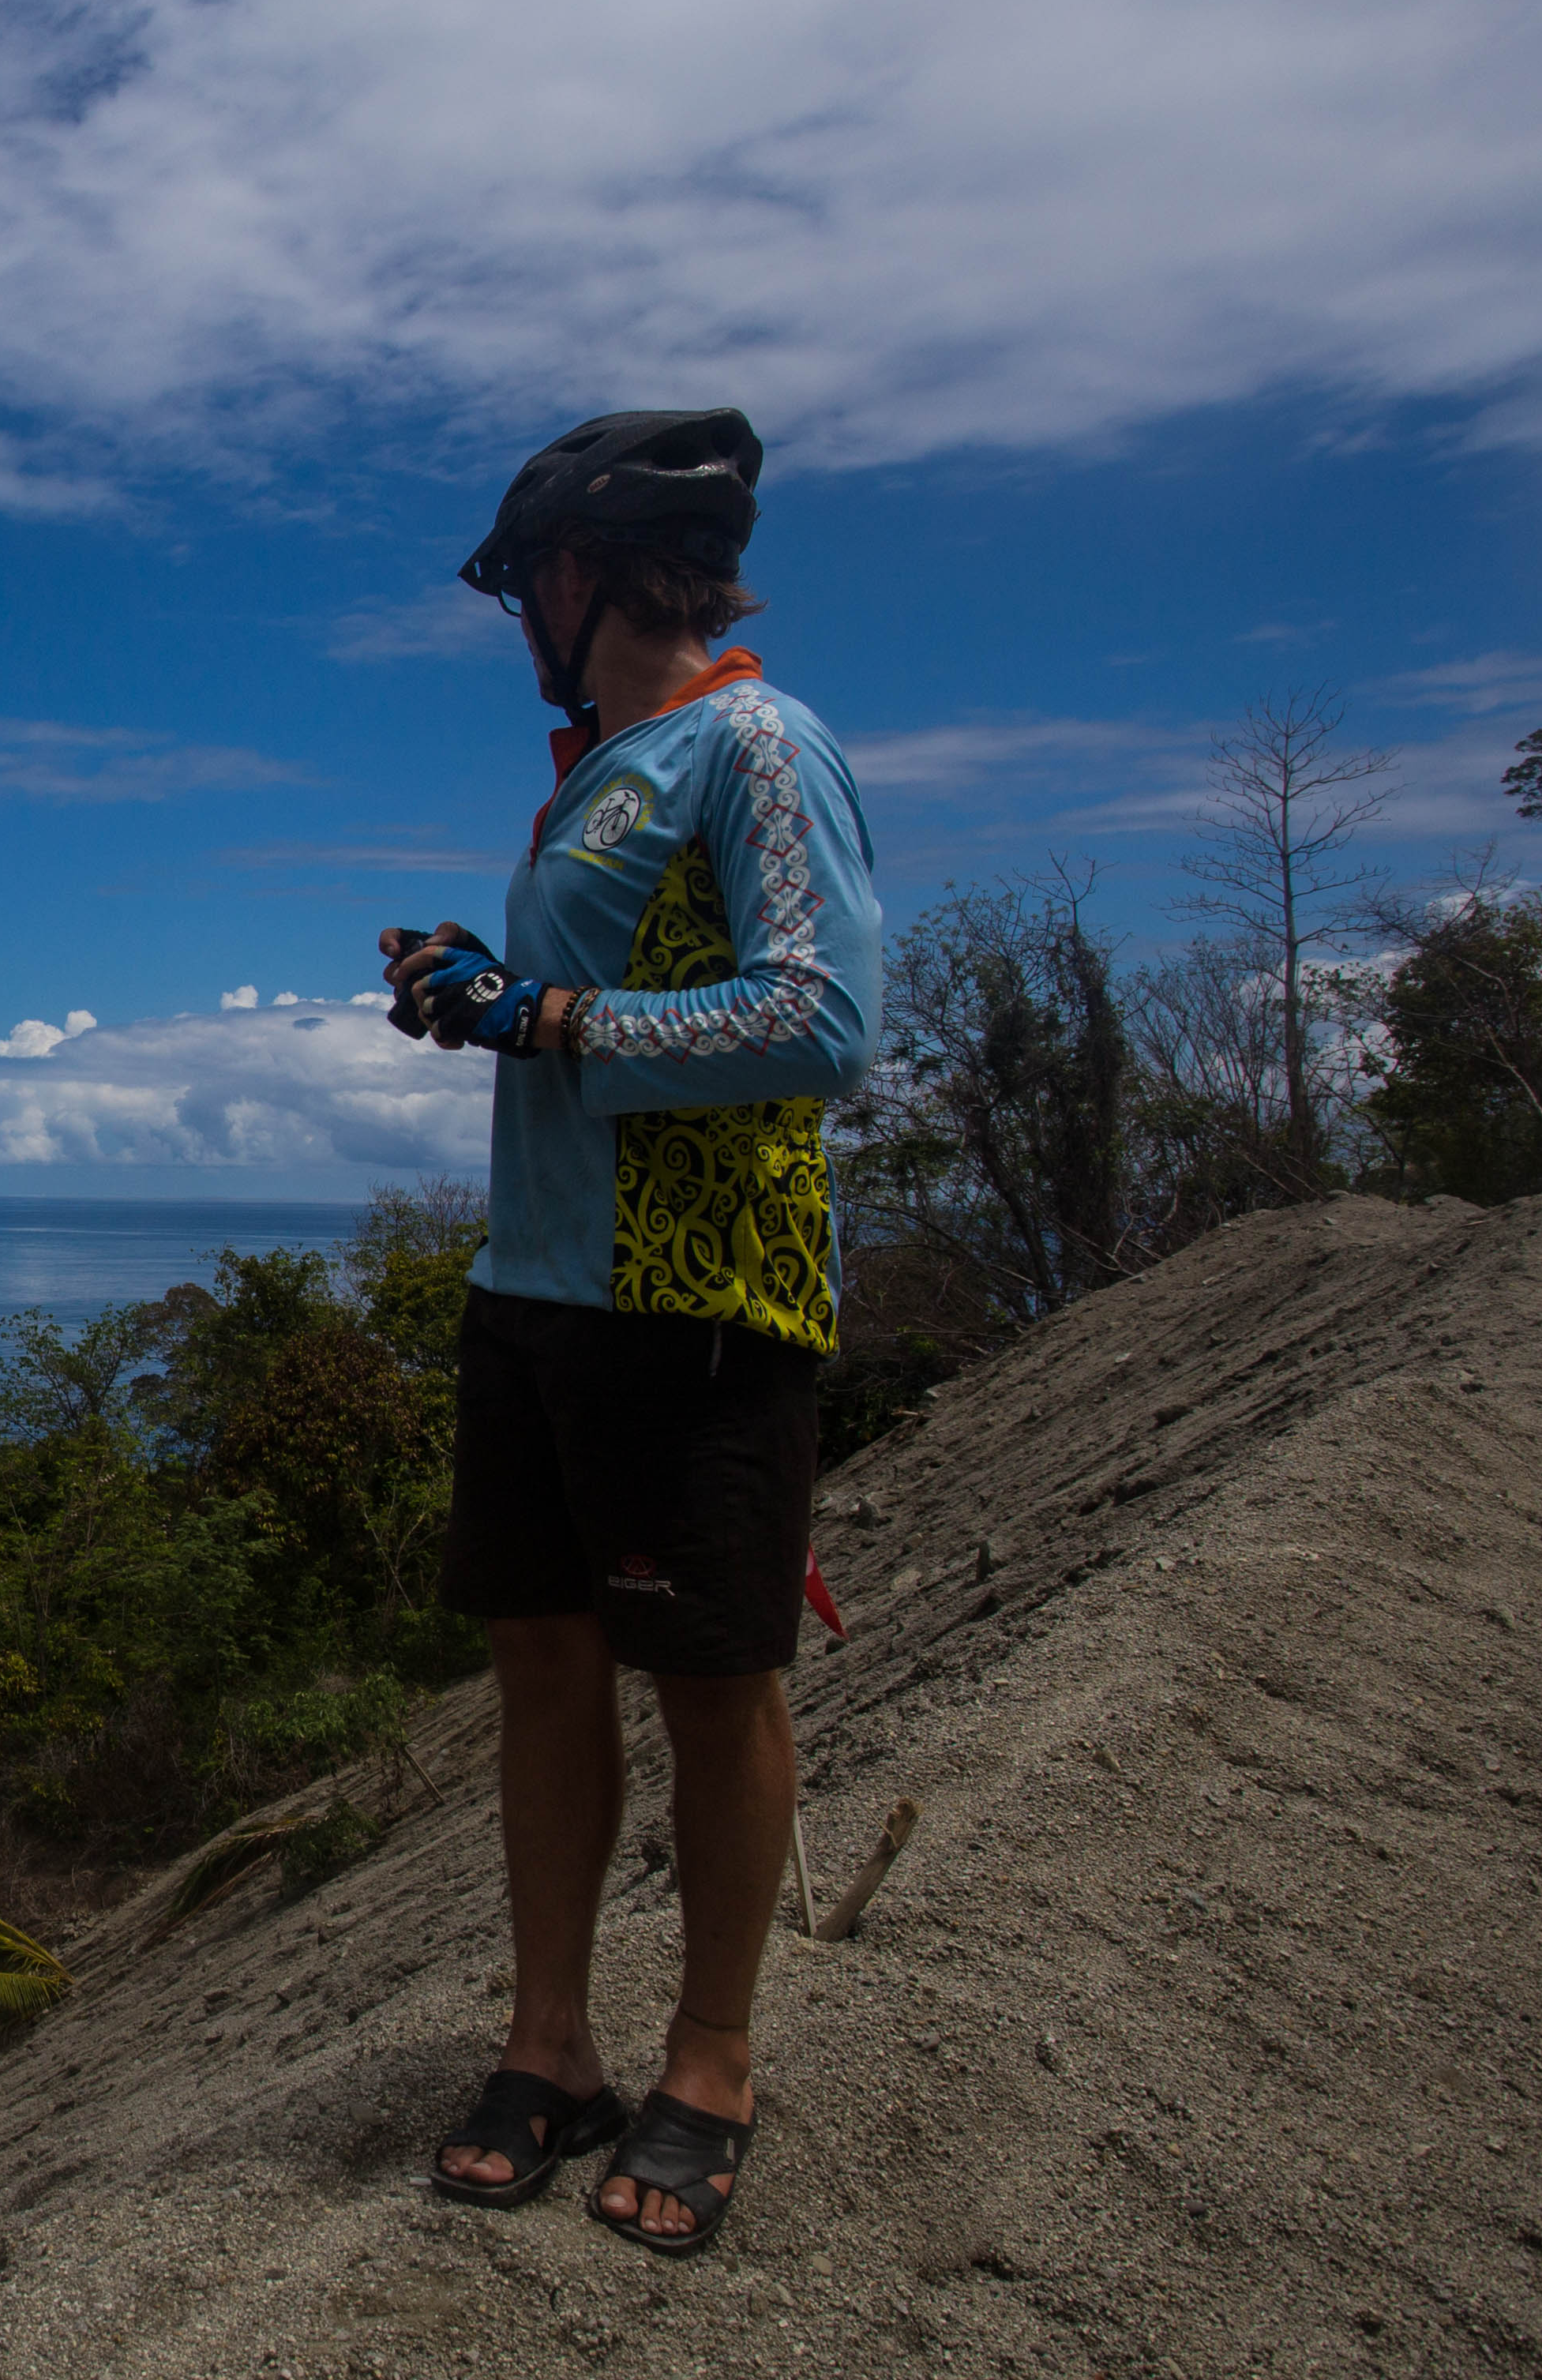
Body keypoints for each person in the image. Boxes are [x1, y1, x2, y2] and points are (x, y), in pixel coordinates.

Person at [378, 408, 879, 2256]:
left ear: (583, 576)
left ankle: (714, 2062)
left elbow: (824, 1021)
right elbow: (581, 1008)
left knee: (713, 1683)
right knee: (540, 1663)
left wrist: (552, 1024)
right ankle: (550, 2044)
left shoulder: (754, 745)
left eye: (529, 582)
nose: (522, 615)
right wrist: (485, 1001)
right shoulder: (606, 769)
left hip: (696, 1304)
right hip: (537, 1294)